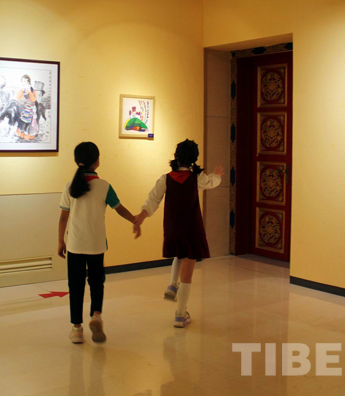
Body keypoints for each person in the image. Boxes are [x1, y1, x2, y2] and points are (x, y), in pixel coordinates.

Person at [134, 139, 223, 328]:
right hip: (192, 229)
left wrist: (141, 216)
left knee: (179, 255)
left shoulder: (165, 179)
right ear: (194, 159)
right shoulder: (196, 178)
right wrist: (217, 175)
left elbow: (152, 200)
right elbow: (211, 182)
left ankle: (173, 283)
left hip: (173, 229)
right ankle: (180, 315)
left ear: (176, 156)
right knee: (188, 272)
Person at [58, 142, 138, 344]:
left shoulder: (69, 186)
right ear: (97, 161)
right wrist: (135, 220)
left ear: (76, 160)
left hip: (75, 244)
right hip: (96, 245)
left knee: (75, 285)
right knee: (96, 282)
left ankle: (77, 329)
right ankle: (96, 315)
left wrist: (60, 241)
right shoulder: (104, 186)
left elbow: (63, 217)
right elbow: (119, 209)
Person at [16, 74, 38, 140]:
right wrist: (22, 90)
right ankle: (22, 132)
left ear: (28, 81)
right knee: (22, 119)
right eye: (22, 81)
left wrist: (29, 92)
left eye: (24, 81)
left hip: (31, 108)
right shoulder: (23, 90)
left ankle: (28, 133)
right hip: (25, 107)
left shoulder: (32, 90)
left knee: (29, 121)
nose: (23, 83)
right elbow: (18, 97)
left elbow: (33, 100)